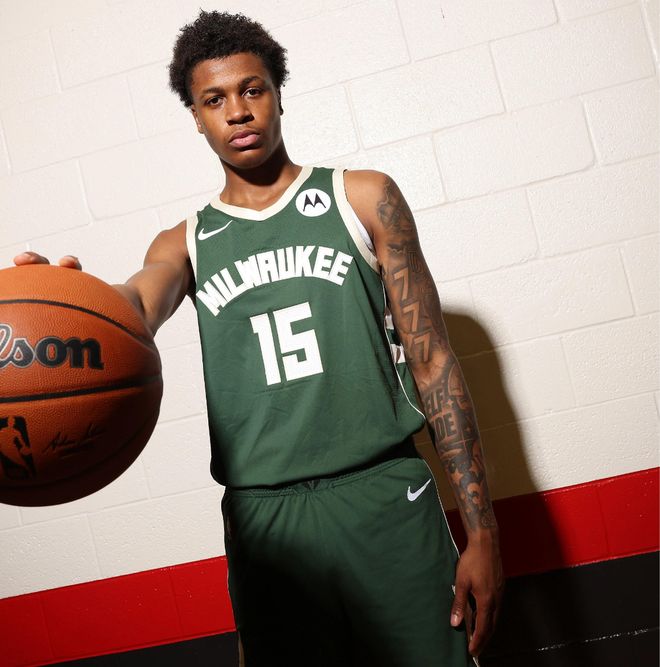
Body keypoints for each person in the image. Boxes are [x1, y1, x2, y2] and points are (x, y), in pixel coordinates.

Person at [14, 10, 503, 666]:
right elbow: (136, 303)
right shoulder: (185, 241)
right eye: (214, 100)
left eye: (252, 89)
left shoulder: (361, 199)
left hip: (384, 489)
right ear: (195, 117)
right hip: (264, 516)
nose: (238, 112)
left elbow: (433, 360)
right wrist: (73, 304)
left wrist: (482, 531)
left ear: (278, 93)